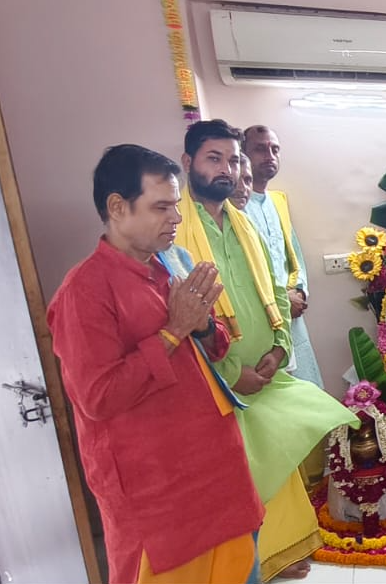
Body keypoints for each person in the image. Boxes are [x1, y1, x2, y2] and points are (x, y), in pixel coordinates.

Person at [48, 144, 263, 583]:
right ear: (117, 207)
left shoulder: (166, 267)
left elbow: (213, 348)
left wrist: (201, 327)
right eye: (161, 206)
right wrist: (172, 332)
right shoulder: (83, 292)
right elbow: (99, 397)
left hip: (217, 473)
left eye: (176, 206)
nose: (176, 219)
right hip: (159, 496)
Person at [175, 120, 358, 581]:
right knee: (246, 471)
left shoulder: (242, 222)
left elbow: (273, 289)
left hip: (266, 367)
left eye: (233, 160)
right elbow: (186, 315)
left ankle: (286, 548)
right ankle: (257, 560)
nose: (228, 169)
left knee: (277, 459)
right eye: (214, 158)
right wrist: (231, 371)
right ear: (188, 164)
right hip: (219, 377)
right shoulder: (178, 235)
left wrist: (278, 347)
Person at [241, 126, 327, 485]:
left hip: (293, 317)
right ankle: (294, 488)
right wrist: (278, 302)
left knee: (308, 395)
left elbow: (293, 254)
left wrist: (300, 292)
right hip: (262, 319)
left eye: (275, 149)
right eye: (260, 149)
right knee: (278, 409)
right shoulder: (235, 206)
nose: (270, 157)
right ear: (243, 154)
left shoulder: (277, 201)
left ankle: (317, 480)